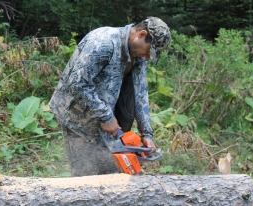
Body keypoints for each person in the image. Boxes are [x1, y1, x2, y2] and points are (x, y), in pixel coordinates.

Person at [49, 17, 171, 176]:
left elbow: (140, 92)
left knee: (112, 174)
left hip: (106, 119)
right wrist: (106, 117)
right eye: (149, 51)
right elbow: (78, 83)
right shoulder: (103, 43)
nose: (147, 56)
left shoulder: (139, 56)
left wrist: (146, 134)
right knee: (86, 178)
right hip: (78, 118)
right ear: (141, 34)